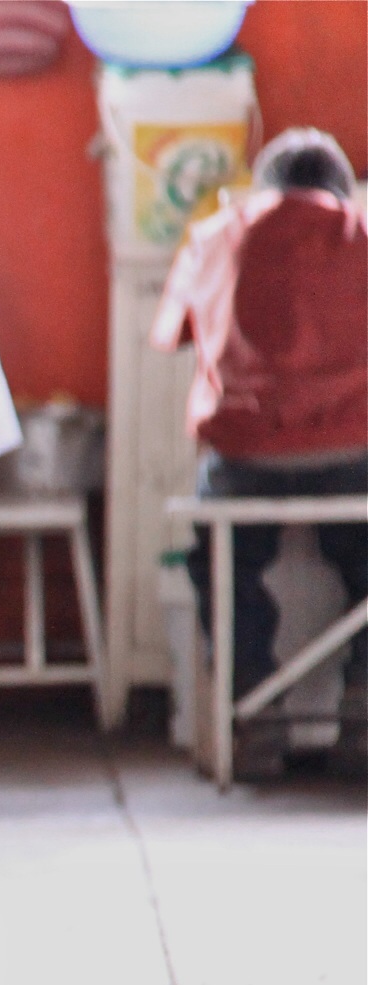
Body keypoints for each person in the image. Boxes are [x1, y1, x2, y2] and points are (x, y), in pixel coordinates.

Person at [155, 128, 368, 781]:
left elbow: (172, 335)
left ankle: (254, 706)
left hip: (245, 449)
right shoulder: (362, 231)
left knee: (221, 560)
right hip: (351, 444)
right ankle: (361, 701)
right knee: (363, 559)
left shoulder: (215, 234)